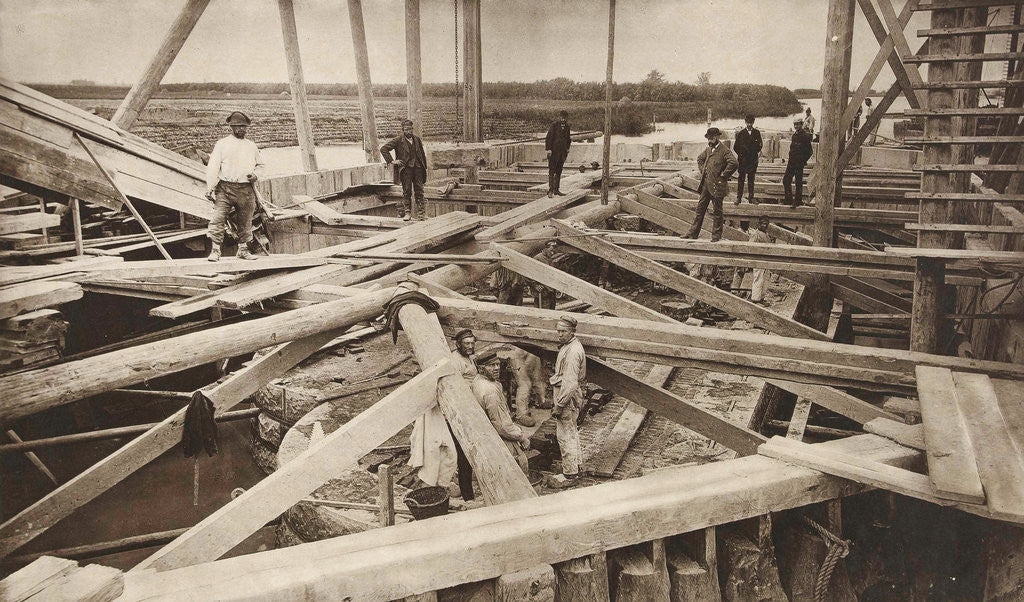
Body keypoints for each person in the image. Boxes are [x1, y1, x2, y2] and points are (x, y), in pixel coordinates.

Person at [205, 111, 264, 262]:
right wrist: (210, 187)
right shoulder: (222, 144)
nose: (241, 130)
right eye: (238, 127)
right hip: (225, 188)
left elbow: (261, 165)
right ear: (231, 127)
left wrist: (255, 175)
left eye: (244, 127)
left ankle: (243, 250)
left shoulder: (251, 146)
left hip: (246, 190)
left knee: (245, 221)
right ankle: (215, 251)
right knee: (218, 218)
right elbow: (213, 167)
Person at [471, 351, 531, 474]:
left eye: (497, 364)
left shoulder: (478, 380)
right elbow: (501, 426)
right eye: (491, 365)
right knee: (518, 468)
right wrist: (521, 437)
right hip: (498, 437)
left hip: (486, 436)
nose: (496, 368)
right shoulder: (490, 390)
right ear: (481, 368)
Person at [549, 315, 586, 485]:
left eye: (563, 331)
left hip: (567, 397)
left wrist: (559, 404)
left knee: (565, 435)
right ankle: (576, 467)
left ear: (572, 332)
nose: (559, 334)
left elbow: (570, 383)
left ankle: (570, 474)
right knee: (571, 432)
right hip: (569, 394)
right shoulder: (569, 345)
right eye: (558, 331)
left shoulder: (573, 352)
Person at [684, 127, 738, 242]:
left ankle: (716, 236)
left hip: (717, 186)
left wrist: (723, 176)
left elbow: (734, 163)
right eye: (709, 138)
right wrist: (703, 170)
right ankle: (692, 233)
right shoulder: (708, 149)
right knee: (699, 210)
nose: (710, 140)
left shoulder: (724, 150)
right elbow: (700, 159)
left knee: (717, 212)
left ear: (717, 137)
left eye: (712, 138)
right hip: (706, 186)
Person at [447, 329, 480, 499]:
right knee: (463, 455)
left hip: (471, 409)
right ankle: (468, 495)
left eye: (472, 343)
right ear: (458, 344)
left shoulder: (468, 357)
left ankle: (466, 489)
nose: (470, 346)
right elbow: (456, 388)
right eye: (466, 343)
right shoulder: (456, 361)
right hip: (461, 412)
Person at [380, 119, 428, 221]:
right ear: (403, 130)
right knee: (407, 191)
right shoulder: (398, 140)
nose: (409, 132)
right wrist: (392, 161)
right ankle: (407, 213)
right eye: (406, 129)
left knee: (419, 190)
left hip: (418, 168)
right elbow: (383, 149)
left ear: (412, 129)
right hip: (406, 170)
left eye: (410, 129)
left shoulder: (417, 139)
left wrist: (424, 166)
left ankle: (421, 214)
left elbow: (422, 154)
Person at [497, 344, 550, 425]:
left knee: (537, 378)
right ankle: (521, 414)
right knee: (525, 384)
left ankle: (542, 400)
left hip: (532, 348)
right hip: (516, 350)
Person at [732, 115, 763, 205]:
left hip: (752, 160)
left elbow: (760, 145)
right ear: (745, 122)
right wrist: (742, 155)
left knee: (751, 179)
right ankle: (739, 198)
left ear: (753, 122)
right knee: (741, 179)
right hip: (743, 161)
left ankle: (751, 197)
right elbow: (735, 147)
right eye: (748, 122)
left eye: (751, 122)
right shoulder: (741, 133)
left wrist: (753, 153)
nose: (749, 124)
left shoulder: (757, 133)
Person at [784, 119, 814, 208]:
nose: (796, 126)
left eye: (798, 124)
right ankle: (788, 200)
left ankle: (797, 201)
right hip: (791, 162)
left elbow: (810, 151)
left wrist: (802, 161)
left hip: (798, 163)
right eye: (795, 125)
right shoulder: (794, 136)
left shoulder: (805, 136)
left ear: (801, 125)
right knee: (786, 180)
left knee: (798, 182)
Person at [545, 110, 571, 197]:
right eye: (562, 118)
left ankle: (557, 190)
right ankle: (550, 190)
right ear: (560, 117)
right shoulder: (554, 125)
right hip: (554, 152)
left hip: (562, 153)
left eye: (565, 118)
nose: (563, 119)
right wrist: (548, 149)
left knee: (559, 171)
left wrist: (567, 148)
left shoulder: (567, 127)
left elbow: (568, 139)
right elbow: (548, 138)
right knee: (552, 171)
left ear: (567, 118)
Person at [748, 216, 773, 305]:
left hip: (766, 260)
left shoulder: (766, 234)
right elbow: (750, 247)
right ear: (759, 224)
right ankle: (755, 299)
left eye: (766, 224)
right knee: (758, 278)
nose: (764, 225)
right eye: (762, 223)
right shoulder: (756, 234)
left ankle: (761, 298)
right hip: (758, 259)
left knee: (765, 280)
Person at [532, 240, 562, 310]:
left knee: (551, 312)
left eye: (554, 251)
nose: (552, 253)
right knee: (542, 314)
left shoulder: (550, 259)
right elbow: (528, 273)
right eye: (551, 251)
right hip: (542, 292)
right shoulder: (537, 258)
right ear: (545, 248)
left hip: (551, 291)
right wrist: (534, 285)